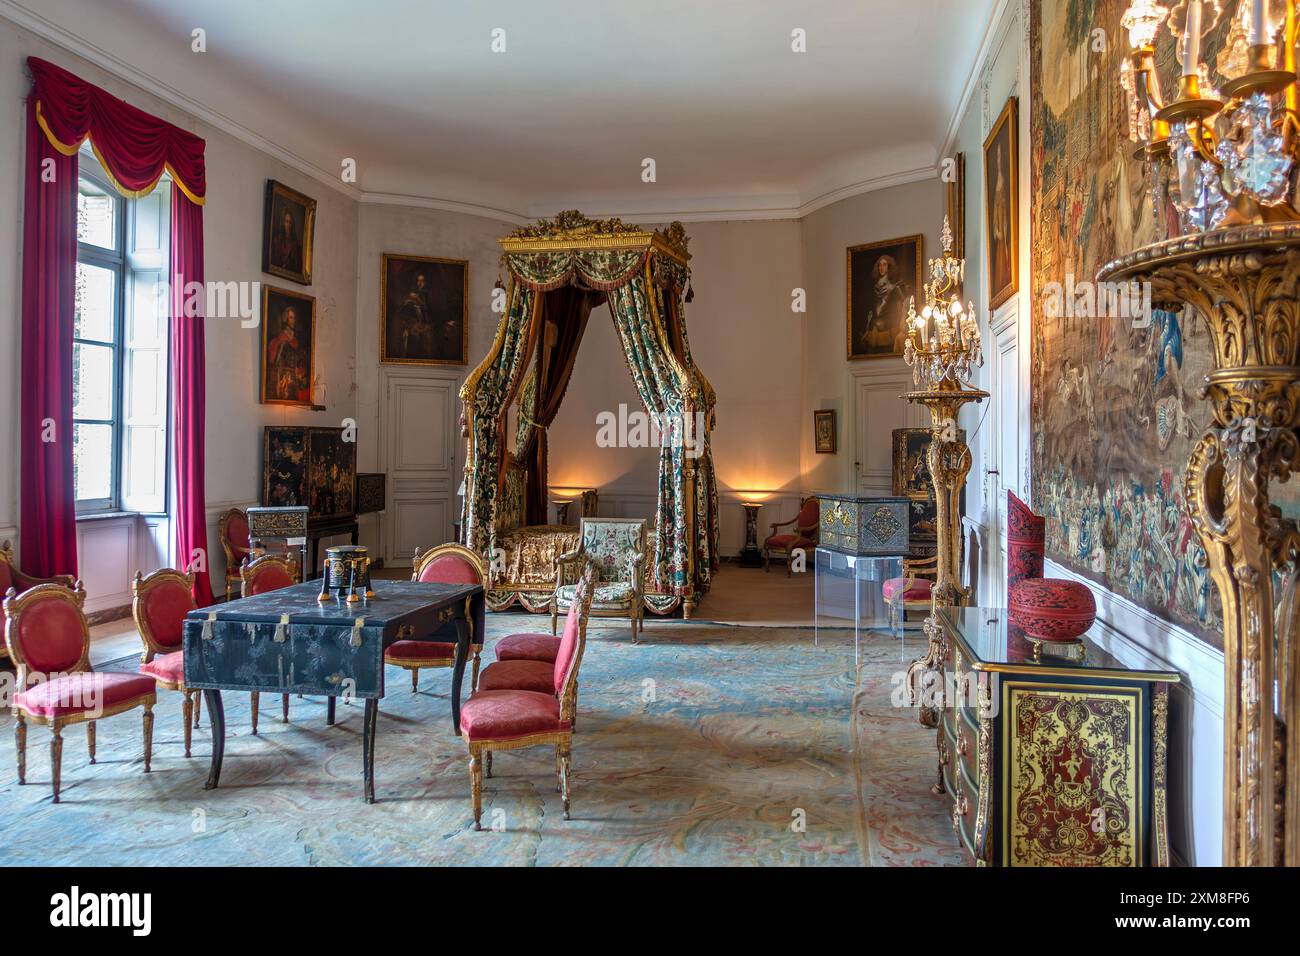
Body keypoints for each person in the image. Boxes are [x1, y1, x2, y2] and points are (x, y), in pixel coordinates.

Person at [269, 207, 302, 275]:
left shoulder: (294, 244)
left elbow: (296, 265)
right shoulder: (277, 240)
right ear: (283, 223)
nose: (288, 225)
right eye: (286, 221)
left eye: (290, 222)